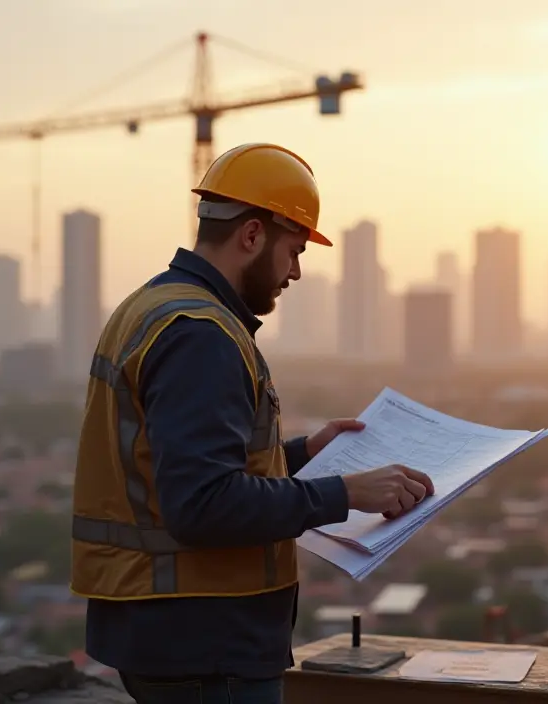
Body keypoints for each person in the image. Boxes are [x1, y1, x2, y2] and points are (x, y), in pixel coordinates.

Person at [69, 142, 435, 704]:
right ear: (251, 235)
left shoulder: (154, 306)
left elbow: (173, 472)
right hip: (206, 645)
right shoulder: (202, 336)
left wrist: (305, 453)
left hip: (170, 635)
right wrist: (345, 492)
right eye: (293, 250)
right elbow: (202, 505)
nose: (294, 271)